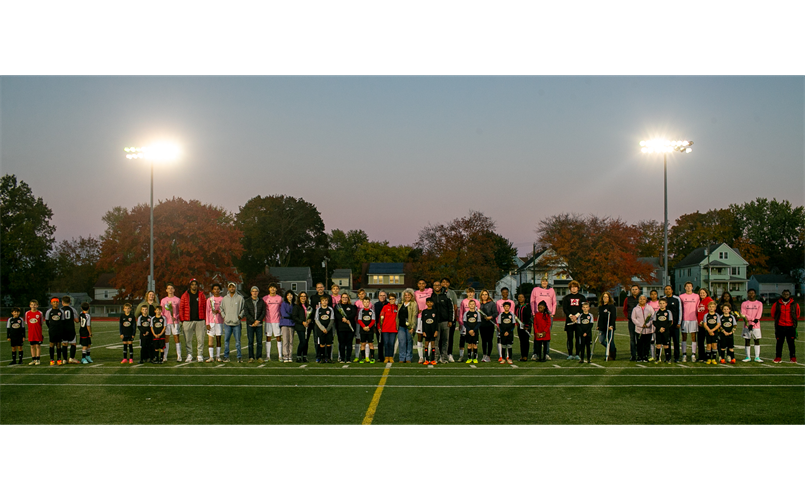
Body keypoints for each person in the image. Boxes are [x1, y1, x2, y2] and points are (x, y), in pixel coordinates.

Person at [179, 278, 207, 363]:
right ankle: (189, 354)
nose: (194, 286)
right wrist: (182, 319)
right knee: (188, 339)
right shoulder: (185, 295)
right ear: (190, 285)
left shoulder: (201, 295)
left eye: (195, 284)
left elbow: (205, 307)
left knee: (200, 339)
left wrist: (205, 319)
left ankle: (200, 354)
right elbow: (181, 308)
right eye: (192, 284)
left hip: (200, 320)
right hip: (188, 320)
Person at [530, 276, 556, 360]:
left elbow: (554, 302)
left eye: (546, 281)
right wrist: (534, 312)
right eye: (543, 281)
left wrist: (552, 313)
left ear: (548, 282)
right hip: (538, 314)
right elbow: (532, 301)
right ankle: (535, 353)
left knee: (546, 334)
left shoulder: (551, 290)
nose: (544, 283)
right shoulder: (535, 290)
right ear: (540, 282)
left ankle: (546, 353)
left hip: (548, 314)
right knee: (537, 334)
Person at [771, 290, 799, 363]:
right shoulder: (777, 304)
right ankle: (778, 357)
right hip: (780, 326)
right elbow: (773, 314)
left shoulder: (794, 304)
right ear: (782, 295)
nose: (786, 295)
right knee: (779, 343)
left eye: (787, 294)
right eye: (784, 294)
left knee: (791, 343)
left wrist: (793, 323)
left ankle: (793, 358)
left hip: (791, 326)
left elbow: (797, 314)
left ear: (790, 295)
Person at [220, 282, 244, 363]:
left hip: (236, 323)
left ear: (235, 288)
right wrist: (224, 316)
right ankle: (226, 356)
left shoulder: (240, 298)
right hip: (227, 323)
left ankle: (239, 356)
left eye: (233, 287)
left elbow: (243, 309)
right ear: (228, 288)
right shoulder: (225, 298)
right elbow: (221, 308)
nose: (232, 288)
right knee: (226, 341)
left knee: (238, 341)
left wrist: (239, 316)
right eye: (230, 287)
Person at [431, 279, 454, 363]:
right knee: (436, 341)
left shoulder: (446, 296)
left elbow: (450, 309)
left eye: (438, 285)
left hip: (445, 321)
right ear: (433, 287)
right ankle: (436, 358)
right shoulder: (431, 297)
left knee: (445, 341)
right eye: (435, 285)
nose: (437, 287)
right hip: (435, 322)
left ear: (441, 286)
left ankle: (444, 358)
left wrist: (450, 320)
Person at [562, 281, 585, 360]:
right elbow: (565, 308)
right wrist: (571, 316)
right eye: (572, 287)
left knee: (578, 338)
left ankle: (578, 354)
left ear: (578, 288)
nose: (574, 288)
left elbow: (583, 308)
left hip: (579, 321)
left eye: (575, 287)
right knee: (570, 338)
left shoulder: (582, 297)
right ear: (570, 288)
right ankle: (570, 354)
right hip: (569, 321)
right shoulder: (566, 298)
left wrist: (577, 316)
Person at [243, 286, 266, 362]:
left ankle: (259, 356)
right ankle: (251, 357)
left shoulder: (261, 301)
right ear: (251, 292)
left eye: (256, 291)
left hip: (259, 325)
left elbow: (263, 312)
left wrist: (258, 321)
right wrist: (253, 321)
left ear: (258, 292)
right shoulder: (247, 301)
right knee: (250, 342)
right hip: (250, 324)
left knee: (259, 342)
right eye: (253, 291)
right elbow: (246, 313)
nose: (255, 292)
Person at [679, 282, 701, 362]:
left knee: (693, 337)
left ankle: (693, 354)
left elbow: (698, 307)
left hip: (693, 319)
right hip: (684, 319)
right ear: (685, 287)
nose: (688, 288)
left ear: (692, 287)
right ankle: (684, 354)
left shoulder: (696, 296)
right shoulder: (681, 296)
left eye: (690, 286)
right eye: (687, 286)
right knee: (684, 337)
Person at [160, 283, 182, 362]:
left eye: (171, 288)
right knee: (166, 339)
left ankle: (179, 356)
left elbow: (180, 311)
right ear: (166, 290)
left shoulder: (177, 300)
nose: (170, 290)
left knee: (177, 338)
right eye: (168, 288)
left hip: (175, 322)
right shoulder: (163, 300)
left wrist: (176, 317)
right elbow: (161, 312)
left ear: (174, 290)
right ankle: (165, 356)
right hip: (166, 322)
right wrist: (163, 319)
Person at [740, 288, 763, 362]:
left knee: (756, 340)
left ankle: (757, 357)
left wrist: (752, 323)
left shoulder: (759, 303)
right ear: (747, 294)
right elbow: (743, 314)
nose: (751, 294)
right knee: (747, 340)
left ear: (755, 294)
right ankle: (748, 357)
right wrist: (749, 320)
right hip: (747, 325)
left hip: (756, 326)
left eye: (753, 293)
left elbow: (758, 316)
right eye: (750, 293)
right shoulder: (744, 303)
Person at [458, 287, 481, 361]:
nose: (470, 294)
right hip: (465, 324)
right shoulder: (463, 302)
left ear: (474, 293)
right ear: (467, 293)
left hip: (474, 325)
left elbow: (478, 313)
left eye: (471, 292)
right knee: (463, 339)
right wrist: (460, 323)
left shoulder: (477, 302)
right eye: (468, 292)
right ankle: (461, 355)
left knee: (473, 340)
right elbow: (461, 312)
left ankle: (473, 355)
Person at [262, 283, 283, 362]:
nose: (272, 289)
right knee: (268, 338)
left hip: (277, 321)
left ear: (276, 289)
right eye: (271, 288)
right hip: (268, 321)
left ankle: (280, 356)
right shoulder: (265, 298)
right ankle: (268, 356)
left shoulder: (280, 298)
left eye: (274, 288)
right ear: (269, 289)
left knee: (278, 337)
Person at [441, 278, 460, 362]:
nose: (445, 284)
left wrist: (454, 318)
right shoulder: (438, 292)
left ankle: (449, 354)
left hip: (450, 318)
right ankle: (441, 354)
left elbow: (455, 306)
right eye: (443, 282)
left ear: (449, 284)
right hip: (441, 319)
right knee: (441, 338)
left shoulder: (452, 293)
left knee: (450, 337)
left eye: (446, 282)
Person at [631, 295, 654, 362]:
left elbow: (653, 317)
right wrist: (641, 325)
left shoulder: (649, 308)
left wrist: (648, 324)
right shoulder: (635, 309)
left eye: (643, 299)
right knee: (639, 344)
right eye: (640, 299)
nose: (642, 300)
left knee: (647, 344)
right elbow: (633, 318)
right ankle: (640, 356)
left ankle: (645, 356)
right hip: (639, 330)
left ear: (646, 300)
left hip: (648, 330)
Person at [414, 279, 433, 363]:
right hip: (419, 317)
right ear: (417, 285)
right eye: (419, 283)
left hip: (429, 317)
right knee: (420, 336)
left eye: (423, 283)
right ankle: (420, 357)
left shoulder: (430, 291)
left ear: (425, 284)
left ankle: (427, 357)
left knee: (428, 337)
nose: (421, 285)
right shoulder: (415, 293)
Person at [334, 293, 357, 363]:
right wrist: (342, 319)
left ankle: (348, 358)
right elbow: (336, 314)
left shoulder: (352, 306)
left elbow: (353, 314)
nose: (345, 299)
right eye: (343, 297)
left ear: (348, 298)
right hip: (341, 328)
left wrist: (347, 319)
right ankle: (342, 358)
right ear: (341, 298)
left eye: (346, 297)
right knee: (342, 343)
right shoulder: (337, 306)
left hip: (350, 328)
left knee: (349, 343)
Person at [397, 289, 418, 363]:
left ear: (411, 296)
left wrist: (412, 327)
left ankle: (408, 357)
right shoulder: (400, 303)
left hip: (409, 326)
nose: (407, 296)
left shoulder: (413, 303)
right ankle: (402, 358)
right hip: (401, 325)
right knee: (402, 342)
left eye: (408, 295)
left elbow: (414, 315)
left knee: (409, 342)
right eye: (405, 295)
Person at [662, 285, 682, 362]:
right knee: (667, 342)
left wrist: (679, 322)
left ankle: (677, 357)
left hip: (675, 324)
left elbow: (680, 311)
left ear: (672, 290)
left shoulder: (677, 299)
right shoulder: (663, 299)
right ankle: (668, 357)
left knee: (676, 341)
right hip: (666, 325)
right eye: (666, 289)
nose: (667, 290)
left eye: (669, 289)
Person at [205, 283, 224, 362]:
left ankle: (218, 356)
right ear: (212, 290)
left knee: (218, 339)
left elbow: (224, 310)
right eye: (215, 289)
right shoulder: (209, 300)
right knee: (211, 339)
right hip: (211, 322)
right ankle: (211, 357)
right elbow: (207, 311)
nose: (216, 290)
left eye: (218, 289)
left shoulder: (222, 299)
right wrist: (207, 323)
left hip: (219, 322)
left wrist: (218, 311)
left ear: (220, 290)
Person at [314, 295, 336, 363]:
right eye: (323, 300)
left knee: (329, 344)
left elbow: (332, 319)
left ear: (328, 301)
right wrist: (322, 328)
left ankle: (328, 358)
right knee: (322, 344)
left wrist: (328, 329)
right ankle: (322, 358)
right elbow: (316, 320)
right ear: (321, 302)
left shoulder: (330, 309)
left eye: (326, 300)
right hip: (321, 330)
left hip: (328, 330)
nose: (324, 302)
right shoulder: (318, 310)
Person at [496, 287, 516, 361]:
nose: (505, 294)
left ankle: (508, 356)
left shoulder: (512, 302)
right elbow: (498, 313)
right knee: (500, 340)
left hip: (509, 326)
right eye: (503, 292)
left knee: (509, 343)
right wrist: (498, 325)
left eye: (506, 292)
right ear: (501, 293)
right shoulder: (498, 302)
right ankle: (501, 356)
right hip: (501, 326)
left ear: (508, 293)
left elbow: (512, 314)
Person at [292, 292, 312, 362]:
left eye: (304, 296)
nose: (303, 298)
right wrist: (302, 322)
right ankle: (298, 356)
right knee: (302, 341)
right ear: (299, 298)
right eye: (301, 296)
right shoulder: (296, 306)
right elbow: (294, 316)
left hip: (307, 326)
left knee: (306, 342)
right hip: (300, 326)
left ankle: (304, 356)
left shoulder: (308, 306)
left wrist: (309, 320)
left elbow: (311, 315)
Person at [652, 298, 673, 364]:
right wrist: (659, 328)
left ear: (666, 304)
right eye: (660, 303)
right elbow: (654, 322)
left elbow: (670, 322)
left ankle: (668, 359)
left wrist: (664, 328)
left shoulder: (668, 312)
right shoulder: (656, 312)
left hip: (666, 331)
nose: (662, 305)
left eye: (663, 303)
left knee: (666, 345)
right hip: (658, 331)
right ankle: (658, 358)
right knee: (658, 345)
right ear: (658, 304)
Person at [695, 287, 714, 363]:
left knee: (709, 341)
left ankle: (709, 356)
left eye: (703, 293)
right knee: (700, 341)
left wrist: (705, 321)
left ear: (707, 293)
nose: (702, 294)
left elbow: (711, 311)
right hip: (700, 324)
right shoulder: (700, 301)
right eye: (700, 293)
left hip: (707, 324)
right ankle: (701, 356)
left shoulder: (709, 300)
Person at [623, 285, 641, 362]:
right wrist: (629, 317)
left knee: (640, 338)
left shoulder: (642, 298)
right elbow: (625, 309)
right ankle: (633, 355)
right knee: (632, 338)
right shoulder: (627, 299)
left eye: (636, 289)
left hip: (641, 322)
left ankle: (641, 354)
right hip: (631, 322)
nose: (634, 290)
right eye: (633, 289)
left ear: (639, 290)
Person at [60, 295, 80, 364]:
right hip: (70, 328)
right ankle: (71, 358)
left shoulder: (60, 310)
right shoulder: (72, 309)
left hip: (63, 329)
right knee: (73, 344)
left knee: (64, 344)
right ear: (70, 301)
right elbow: (77, 320)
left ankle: (64, 359)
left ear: (62, 302)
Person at [597, 292, 617, 361]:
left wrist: (611, 325)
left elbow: (613, 317)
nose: (605, 298)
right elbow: (600, 317)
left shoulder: (611, 306)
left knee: (610, 341)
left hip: (609, 326)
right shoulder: (600, 307)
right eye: (604, 297)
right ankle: (611, 349)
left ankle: (612, 354)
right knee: (601, 341)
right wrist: (598, 325)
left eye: (607, 297)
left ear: (609, 298)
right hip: (602, 326)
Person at [478, 289, 497, 363]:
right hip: (482, 325)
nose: (484, 296)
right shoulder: (480, 304)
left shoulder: (492, 304)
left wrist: (490, 317)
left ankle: (488, 355)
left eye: (486, 294)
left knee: (489, 340)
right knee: (483, 340)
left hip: (490, 324)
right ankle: (484, 354)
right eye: (483, 294)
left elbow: (495, 313)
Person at [380, 293, 399, 363]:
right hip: (385, 329)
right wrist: (380, 327)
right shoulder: (385, 307)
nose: (391, 300)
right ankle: (386, 357)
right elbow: (381, 318)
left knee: (391, 343)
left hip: (393, 329)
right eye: (390, 299)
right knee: (386, 343)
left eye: (393, 299)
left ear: (395, 299)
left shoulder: (397, 307)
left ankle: (391, 357)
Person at [357, 296, 377, 363]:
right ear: (362, 303)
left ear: (369, 303)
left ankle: (372, 358)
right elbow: (359, 320)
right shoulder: (361, 311)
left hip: (370, 330)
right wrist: (364, 327)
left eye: (367, 302)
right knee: (363, 344)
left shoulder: (371, 311)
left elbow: (373, 320)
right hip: (363, 330)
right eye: (364, 302)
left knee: (371, 343)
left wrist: (368, 327)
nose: (366, 303)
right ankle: (363, 358)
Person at [44, 298, 64, 365]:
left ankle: (59, 359)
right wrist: (50, 327)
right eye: (54, 302)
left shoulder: (61, 311)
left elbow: (63, 320)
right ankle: (51, 359)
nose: (55, 303)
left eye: (56, 302)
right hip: (52, 330)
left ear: (59, 303)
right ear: (51, 303)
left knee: (58, 344)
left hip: (59, 330)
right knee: (51, 344)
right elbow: (47, 321)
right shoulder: (49, 311)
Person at [25, 300, 44, 365]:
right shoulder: (27, 313)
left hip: (38, 332)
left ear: (37, 306)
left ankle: (38, 359)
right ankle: (33, 359)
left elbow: (41, 323)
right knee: (32, 346)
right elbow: (27, 322)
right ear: (30, 305)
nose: (33, 306)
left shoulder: (40, 313)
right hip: (31, 332)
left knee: (38, 346)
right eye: (32, 304)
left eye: (35, 305)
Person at [515, 293, 533, 362]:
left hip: (526, 326)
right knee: (521, 341)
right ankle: (522, 355)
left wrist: (526, 325)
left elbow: (529, 316)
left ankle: (525, 356)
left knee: (526, 341)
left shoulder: (527, 306)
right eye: (519, 297)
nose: (520, 298)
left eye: (522, 297)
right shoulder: (517, 307)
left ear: (524, 298)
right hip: (519, 326)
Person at [279, 290, 296, 363]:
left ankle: (290, 356)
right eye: (288, 295)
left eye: (291, 295)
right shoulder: (284, 304)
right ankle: (285, 356)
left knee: (291, 341)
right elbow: (283, 314)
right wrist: (292, 316)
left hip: (292, 324)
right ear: (286, 296)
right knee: (285, 341)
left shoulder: (294, 305)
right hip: (284, 324)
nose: (290, 296)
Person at [462, 298, 481, 364]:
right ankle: (469, 358)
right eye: (471, 304)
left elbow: (479, 323)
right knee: (469, 345)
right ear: (468, 305)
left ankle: (475, 358)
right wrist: (469, 330)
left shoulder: (477, 314)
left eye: (473, 304)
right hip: (468, 331)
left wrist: (473, 330)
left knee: (475, 345)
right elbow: (465, 322)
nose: (472, 305)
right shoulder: (466, 313)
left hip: (475, 332)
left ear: (475, 305)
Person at [421, 297, 439, 365]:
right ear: (426, 303)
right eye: (428, 302)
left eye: (431, 302)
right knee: (426, 344)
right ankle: (426, 359)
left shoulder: (435, 311)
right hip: (427, 330)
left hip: (433, 330)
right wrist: (423, 331)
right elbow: (423, 322)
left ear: (433, 303)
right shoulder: (424, 312)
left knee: (433, 345)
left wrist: (436, 330)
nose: (429, 303)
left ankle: (432, 359)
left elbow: (436, 322)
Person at [373, 290, 388, 362]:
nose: (382, 297)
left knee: (388, 342)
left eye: (384, 295)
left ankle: (388, 356)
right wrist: (375, 327)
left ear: (386, 296)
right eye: (380, 295)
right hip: (379, 327)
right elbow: (374, 317)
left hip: (388, 327)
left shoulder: (388, 304)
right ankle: (380, 357)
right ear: (378, 297)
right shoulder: (375, 305)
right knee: (380, 342)